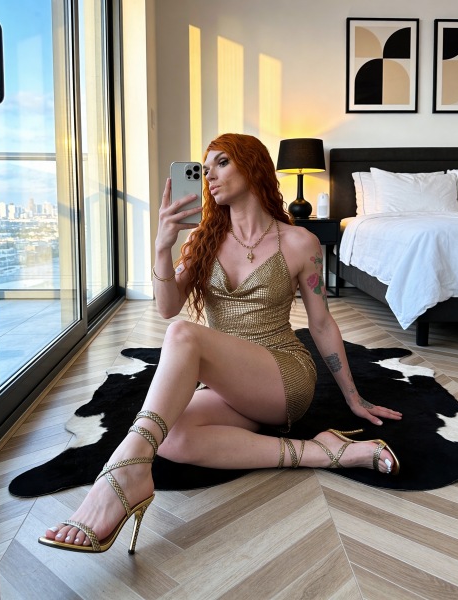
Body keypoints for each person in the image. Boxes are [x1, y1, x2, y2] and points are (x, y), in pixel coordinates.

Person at [39, 133, 402, 554]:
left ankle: (121, 470)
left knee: (184, 336)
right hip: (227, 385)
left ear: (253, 166)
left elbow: (321, 324)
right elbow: (167, 307)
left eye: (222, 162)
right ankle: (322, 451)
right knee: (171, 438)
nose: (208, 174)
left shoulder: (299, 242)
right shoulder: (204, 240)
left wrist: (353, 397)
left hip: (282, 378)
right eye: (205, 167)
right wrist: (162, 247)